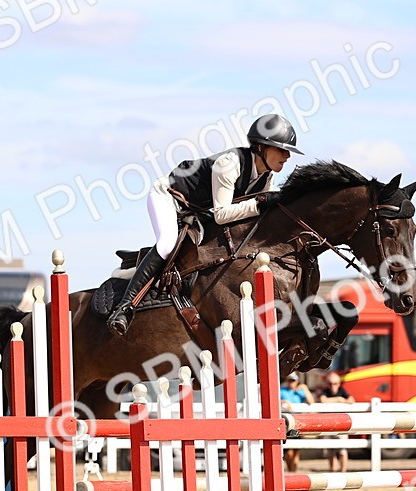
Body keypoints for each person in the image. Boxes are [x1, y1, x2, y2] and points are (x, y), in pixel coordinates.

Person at [107, 114, 304, 336]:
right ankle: (124, 308)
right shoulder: (229, 164)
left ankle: (142, 270)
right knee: (167, 244)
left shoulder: (265, 176)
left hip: (198, 211)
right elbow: (222, 214)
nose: (287, 156)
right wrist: (259, 203)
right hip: (169, 197)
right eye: (282, 149)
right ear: (261, 147)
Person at [316, 372, 354, 472]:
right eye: (330, 383)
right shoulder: (326, 391)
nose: (333, 386)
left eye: (335, 383)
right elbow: (323, 400)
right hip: (328, 425)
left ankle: (343, 472)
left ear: (339, 384)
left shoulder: (342, 390)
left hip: (341, 425)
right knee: (330, 451)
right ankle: (333, 470)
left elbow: (351, 400)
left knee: (342, 450)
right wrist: (339, 399)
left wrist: (341, 400)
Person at [279, 372, 314, 471]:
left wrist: (305, 388)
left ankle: (293, 472)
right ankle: (291, 471)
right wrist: (283, 402)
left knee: (296, 452)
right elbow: (276, 400)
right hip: (286, 424)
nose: (291, 383)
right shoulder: (282, 390)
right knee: (289, 452)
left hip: (297, 424)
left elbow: (311, 402)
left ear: (297, 381)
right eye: (290, 380)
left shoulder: (300, 391)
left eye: (293, 380)